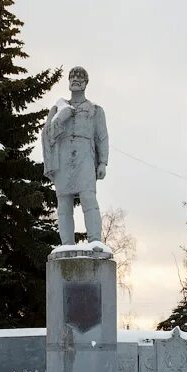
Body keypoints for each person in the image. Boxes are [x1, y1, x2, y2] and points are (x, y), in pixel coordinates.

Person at [42, 66, 109, 245]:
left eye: (80, 77)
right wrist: (62, 117)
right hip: (63, 158)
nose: (76, 79)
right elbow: (48, 134)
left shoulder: (95, 110)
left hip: (85, 157)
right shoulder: (58, 109)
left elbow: (101, 137)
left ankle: (95, 241)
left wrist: (102, 162)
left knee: (88, 198)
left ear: (86, 83)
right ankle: (66, 246)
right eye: (72, 77)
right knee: (64, 203)